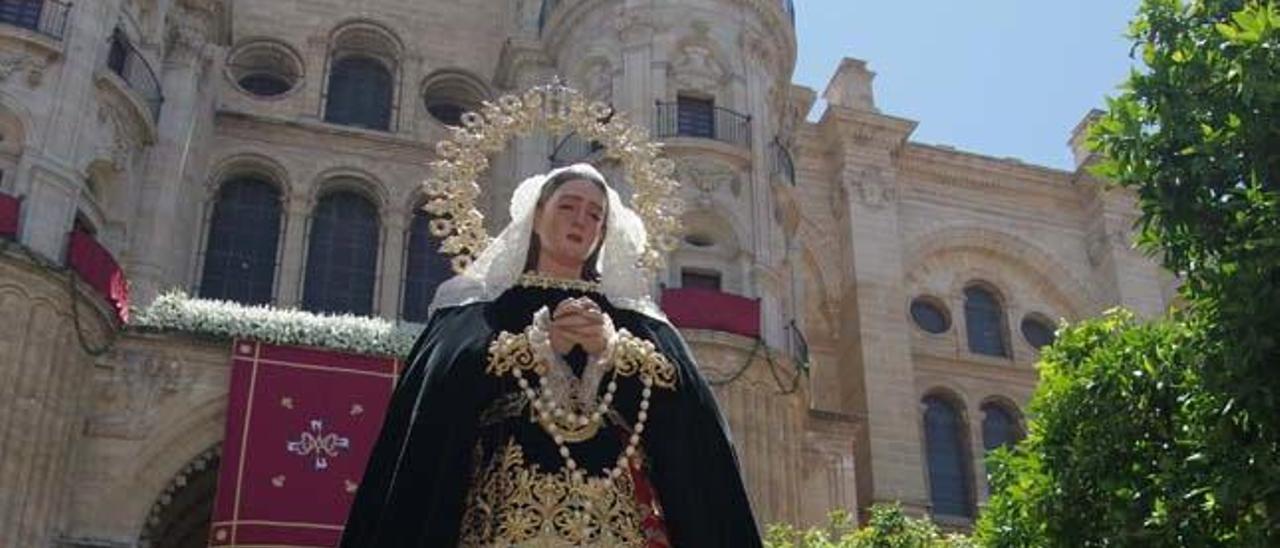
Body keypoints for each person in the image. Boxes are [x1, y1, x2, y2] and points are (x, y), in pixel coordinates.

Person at [340, 163, 761, 547]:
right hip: (505, 517)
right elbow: (441, 388)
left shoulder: (634, 319)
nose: (581, 220)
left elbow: (689, 409)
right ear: (537, 215)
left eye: (595, 215)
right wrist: (538, 348)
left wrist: (611, 351)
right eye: (569, 206)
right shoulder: (483, 309)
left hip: (611, 523)